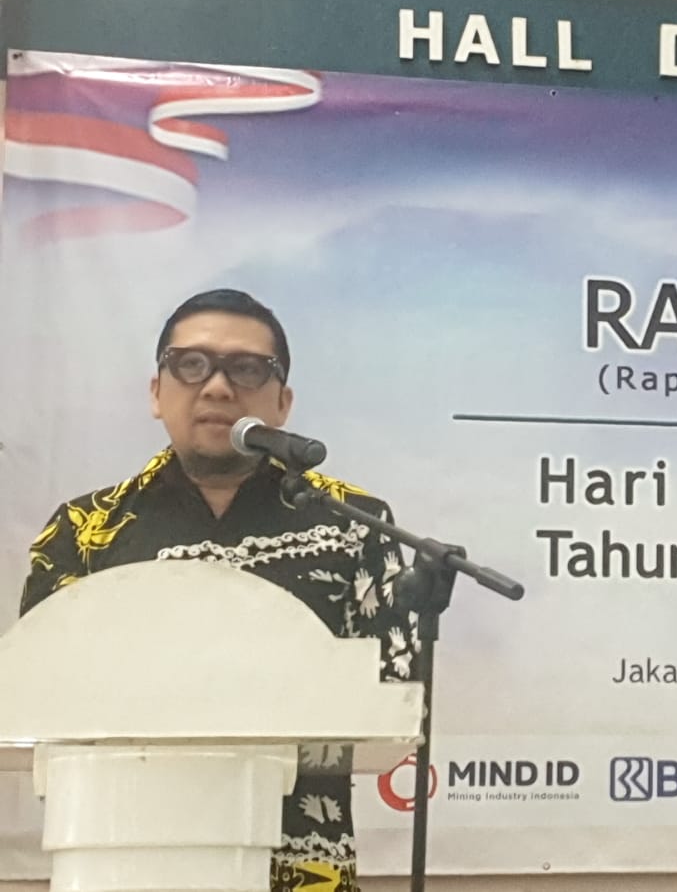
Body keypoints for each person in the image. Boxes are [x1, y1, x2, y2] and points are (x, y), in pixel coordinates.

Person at [22, 288, 415, 892]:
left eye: (247, 369)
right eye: (191, 365)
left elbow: (390, 694)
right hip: (122, 853)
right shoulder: (85, 529)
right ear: (156, 392)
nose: (217, 387)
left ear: (282, 403)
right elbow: (42, 693)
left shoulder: (354, 524)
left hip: (301, 867)